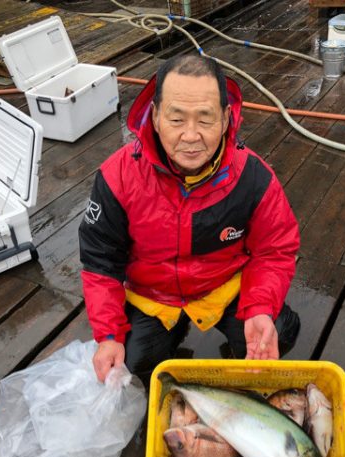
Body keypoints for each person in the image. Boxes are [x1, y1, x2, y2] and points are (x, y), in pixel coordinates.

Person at [79, 54, 300, 387]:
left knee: (278, 332)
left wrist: (260, 308)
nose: (191, 136)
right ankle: (169, 335)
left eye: (206, 118)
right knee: (134, 365)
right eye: (177, 119)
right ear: (154, 117)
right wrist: (108, 333)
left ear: (226, 119)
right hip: (153, 294)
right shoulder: (116, 177)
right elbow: (100, 261)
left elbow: (274, 251)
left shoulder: (254, 178)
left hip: (222, 286)